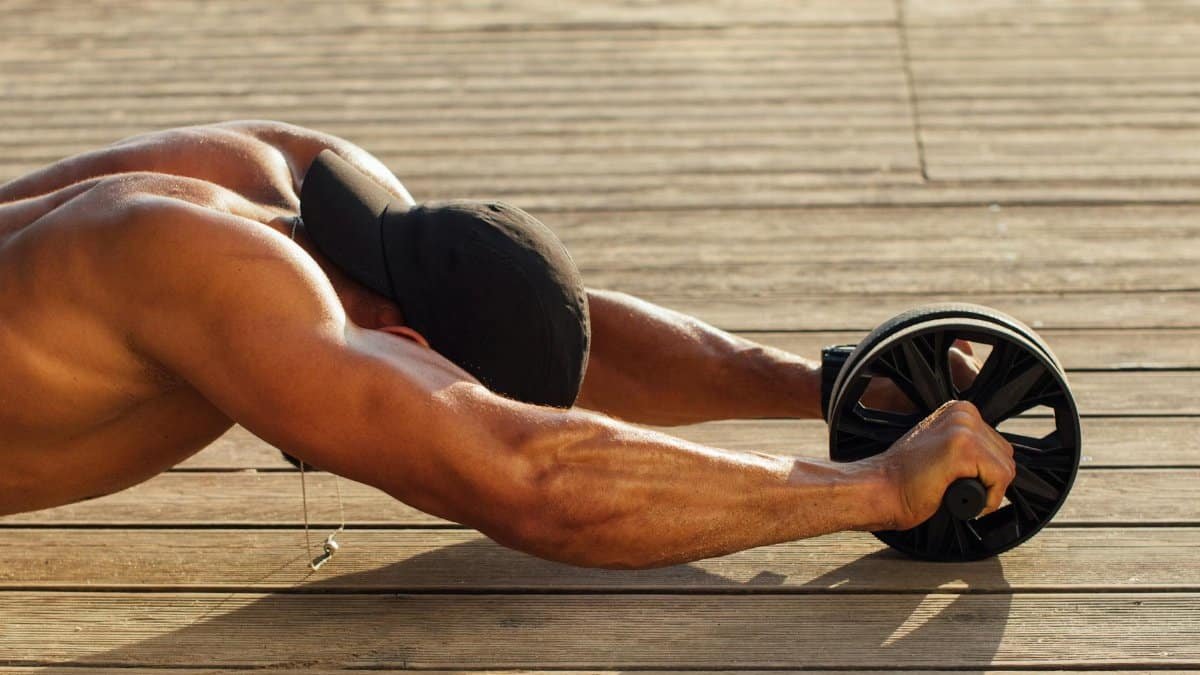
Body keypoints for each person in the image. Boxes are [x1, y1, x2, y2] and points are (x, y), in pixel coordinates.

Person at [0, 120, 1015, 569]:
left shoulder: (289, 171)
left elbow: (561, 335)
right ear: (405, 342)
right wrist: (876, 489)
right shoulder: (238, 286)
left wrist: (829, 387)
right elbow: (534, 478)